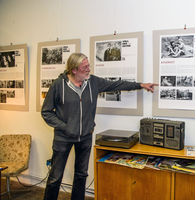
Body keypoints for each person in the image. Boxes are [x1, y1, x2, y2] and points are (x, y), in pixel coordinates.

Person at [41, 53, 158, 200]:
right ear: (74, 70)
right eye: (85, 67)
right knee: (55, 177)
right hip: (63, 138)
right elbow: (46, 112)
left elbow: (117, 84)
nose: (89, 69)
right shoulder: (58, 85)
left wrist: (140, 85)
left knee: (81, 175)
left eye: (89, 65)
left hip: (85, 137)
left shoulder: (93, 82)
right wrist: (64, 127)